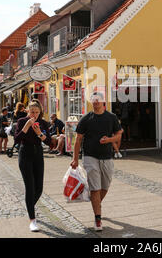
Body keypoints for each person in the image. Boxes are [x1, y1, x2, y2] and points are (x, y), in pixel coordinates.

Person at [71, 92, 122, 232]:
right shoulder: (86, 118)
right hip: (90, 157)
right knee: (95, 188)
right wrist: (75, 158)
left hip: (107, 157)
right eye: (93, 100)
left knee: (105, 187)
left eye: (98, 100)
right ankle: (98, 219)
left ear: (103, 101)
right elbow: (78, 139)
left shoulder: (111, 117)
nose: (96, 102)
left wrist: (109, 140)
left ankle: (97, 203)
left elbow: (118, 135)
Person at [14, 100, 51, 232]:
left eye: (36, 112)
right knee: (29, 187)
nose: (34, 115)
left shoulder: (43, 123)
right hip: (25, 155)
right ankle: (32, 220)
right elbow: (16, 140)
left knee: (39, 188)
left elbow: (49, 142)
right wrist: (26, 127)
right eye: (32, 112)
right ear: (28, 111)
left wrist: (39, 133)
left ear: (40, 112)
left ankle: (29, 206)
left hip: (38, 155)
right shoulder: (22, 121)